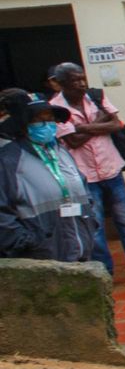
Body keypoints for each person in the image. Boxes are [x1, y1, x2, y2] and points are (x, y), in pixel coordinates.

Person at [49, 62, 125, 281]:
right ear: (61, 84)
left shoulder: (96, 97)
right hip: (85, 176)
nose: (81, 84)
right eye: (75, 80)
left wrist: (82, 127)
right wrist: (99, 122)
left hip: (112, 169)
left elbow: (116, 125)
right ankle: (105, 272)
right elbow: (72, 140)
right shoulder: (56, 108)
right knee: (96, 225)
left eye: (83, 78)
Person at [0, 93, 98, 263]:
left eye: (51, 118)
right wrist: (26, 243)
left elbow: (83, 189)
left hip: (80, 245)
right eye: (40, 119)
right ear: (24, 125)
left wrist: (91, 222)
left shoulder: (60, 151)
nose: (48, 124)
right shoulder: (9, 160)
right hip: (42, 255)